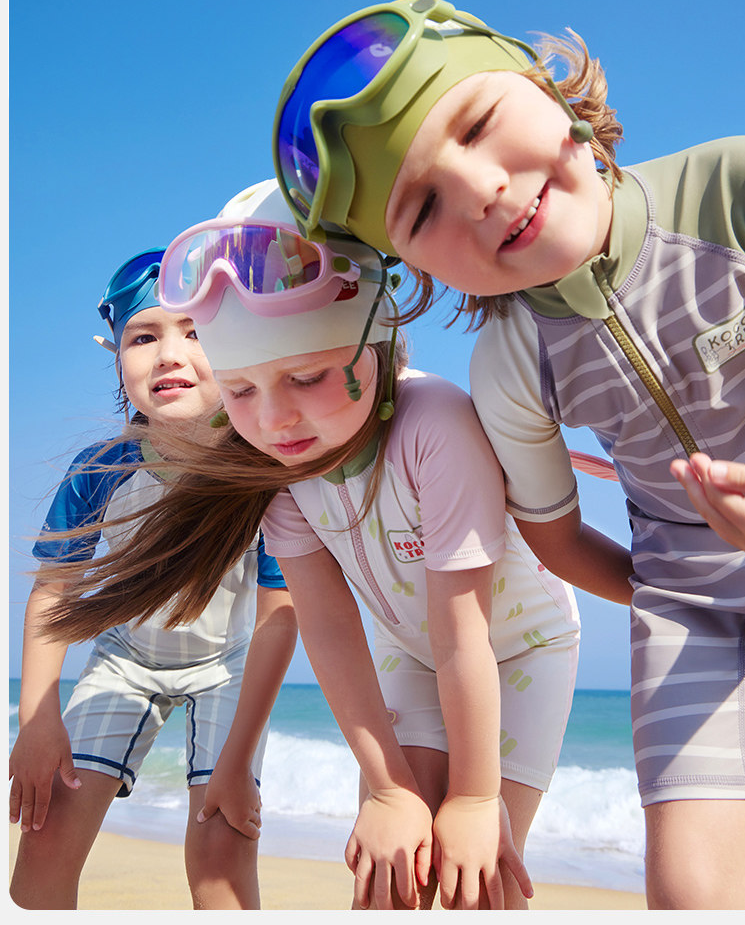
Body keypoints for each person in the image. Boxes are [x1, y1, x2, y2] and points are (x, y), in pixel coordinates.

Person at [270, 0, 745, 910]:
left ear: (542, 85)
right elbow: (555, 538)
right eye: (424, 208)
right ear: (415, 271)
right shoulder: (509, 363)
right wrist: (670, 593)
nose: (481, 190)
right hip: (697, 618)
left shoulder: (740, 186)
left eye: (477, 123)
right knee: (692, 893)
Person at [148, 177, 601, 910]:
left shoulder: (435, 426)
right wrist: (389, 788)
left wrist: (475, 799)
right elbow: (328, 625)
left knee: (476, 883)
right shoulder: (281, 469)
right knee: (391, 875)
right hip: (409, 651)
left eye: (305, 376)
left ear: (378, 344)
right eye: (241, 391)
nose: (276, 420)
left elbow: (464, 632)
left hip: (519, 646)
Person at [9, 249, 297, 911]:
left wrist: (237, 761)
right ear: (117, 359)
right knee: (45, 837)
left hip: (229, 667)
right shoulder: (101, 471)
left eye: (197, 333)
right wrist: (37, 720)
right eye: (144, 337)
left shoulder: (267, 474)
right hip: (124, 661)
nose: (170, 355)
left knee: (221, 855)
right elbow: (54, 592)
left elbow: (279, 616)